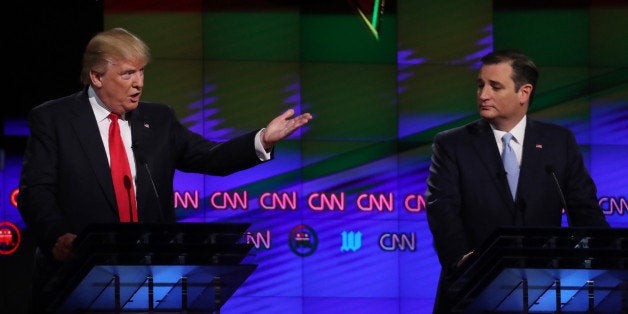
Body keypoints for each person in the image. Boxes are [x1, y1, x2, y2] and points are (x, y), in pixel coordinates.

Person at [17, 27, 312, 313]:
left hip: (152, 280)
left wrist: (262, 139)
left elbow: (211, 157)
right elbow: (36, 191)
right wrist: (57, 236)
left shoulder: (158, 119)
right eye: (127, 73)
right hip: (79, 276)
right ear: (96, 76)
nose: (139, 83)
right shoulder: (54, 119)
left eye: (141, 71)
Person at [424, 49, 609, 313]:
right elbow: (441, 208)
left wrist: (603, 257)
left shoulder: (559, 142)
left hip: (544, 293)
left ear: (524, 92)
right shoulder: (452, 144)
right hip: (471, 291)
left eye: (494, 86)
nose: (483, 94)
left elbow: (585, 209)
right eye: (480, 85)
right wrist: (465, 263)